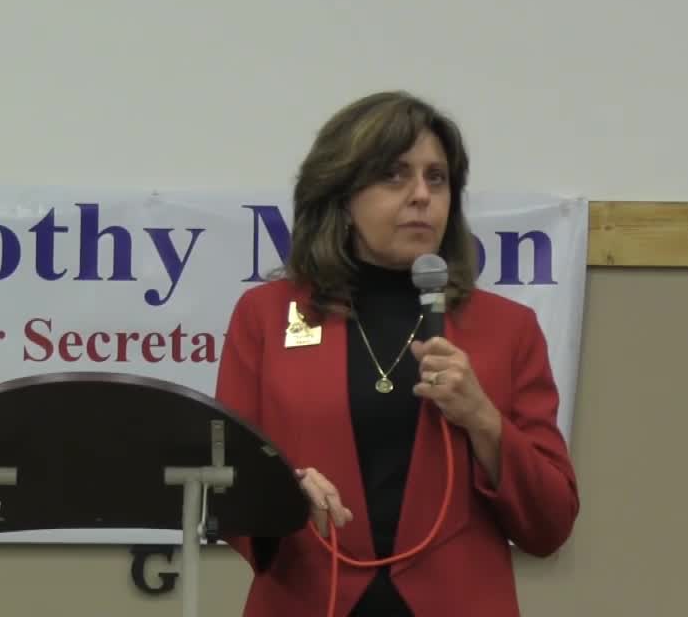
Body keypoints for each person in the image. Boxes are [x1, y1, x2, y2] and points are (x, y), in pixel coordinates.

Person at [215, 90, 579, 616]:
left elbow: (551, 522)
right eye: (394, 175)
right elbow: (225, 480)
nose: (420, 195)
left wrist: (484, 422)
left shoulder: (507, 329)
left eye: (437, 178)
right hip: (311, 599)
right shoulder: (267, 316)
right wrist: (283, 492)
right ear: (340, 195)